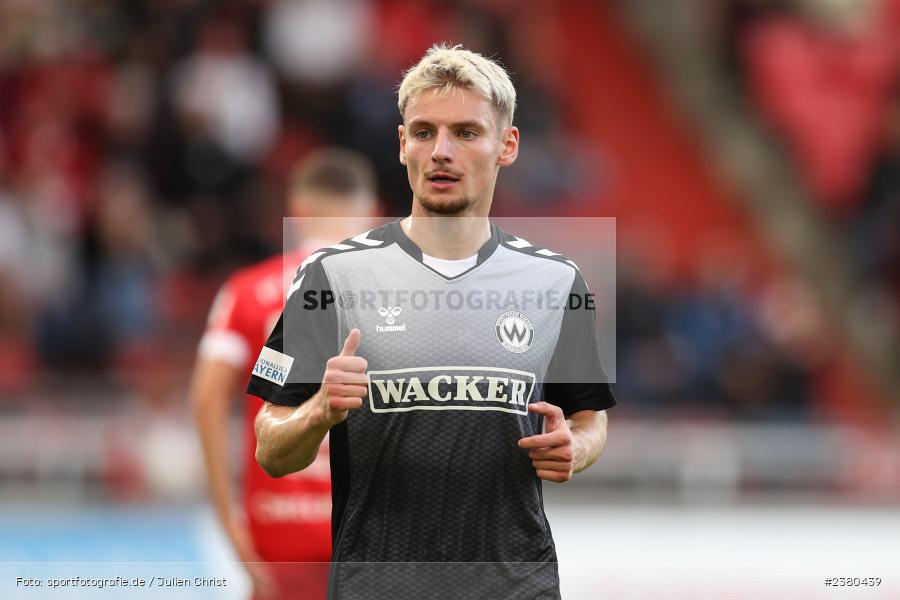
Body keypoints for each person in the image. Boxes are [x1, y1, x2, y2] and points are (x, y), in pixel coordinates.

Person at [248, 44, 615, 599]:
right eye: (424, 132)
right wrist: (320, 410)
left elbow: (590, 417)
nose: (441, 151)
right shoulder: (330, 276)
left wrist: (576, 449)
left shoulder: (560, 284)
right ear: (402, 145)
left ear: (506, 146)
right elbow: (269, 448)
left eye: (466, 132)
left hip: (516, 585)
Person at [189, 148, 378, 600]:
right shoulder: (400, 296)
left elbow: (206, 400)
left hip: (278, 524)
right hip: (372, 531)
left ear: (297, 209)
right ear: (372, 212)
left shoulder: (248, 292)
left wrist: (230, 523)